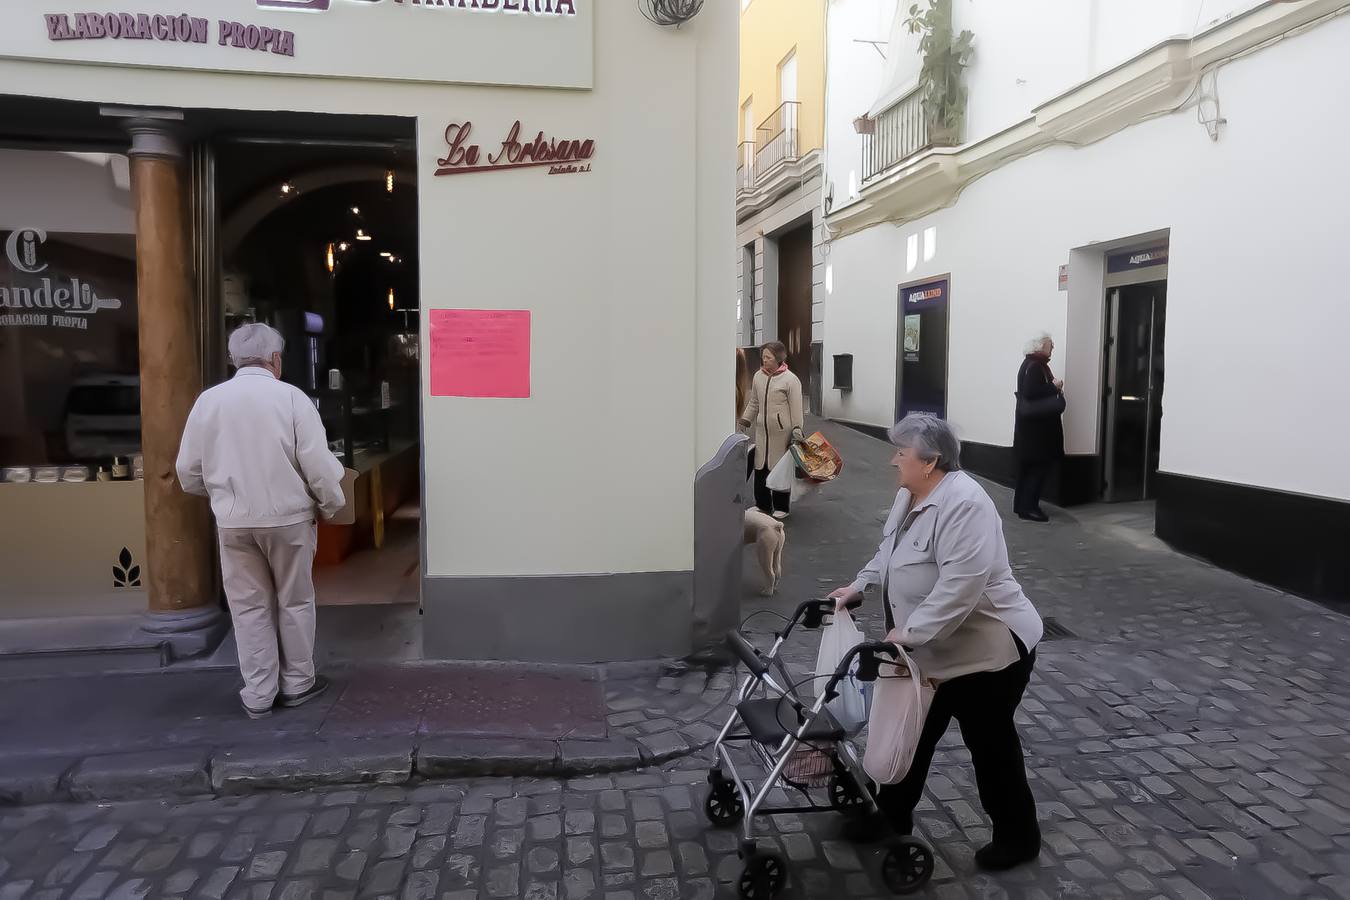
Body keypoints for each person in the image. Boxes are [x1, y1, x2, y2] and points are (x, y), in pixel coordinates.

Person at [829, 414, 1043, 871]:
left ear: (930, 462)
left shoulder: (967, 504)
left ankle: (1018, 838)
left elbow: (960, 588)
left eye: (901, 453)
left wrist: (906, 635)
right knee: (912, 734)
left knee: (991, 746)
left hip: (988, 652)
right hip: (930, 652)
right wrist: (859, 585)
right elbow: (889, 552)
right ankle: (889, 816)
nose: (893, 461)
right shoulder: (911, 494)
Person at [176, 323, 346, 720]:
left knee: (248, 607)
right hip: (289, 519)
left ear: (234, 359)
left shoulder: (208, 401)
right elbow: (318, 465)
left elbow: (187, 471)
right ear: (275, 359)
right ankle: (298, 683)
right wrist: (330, 503)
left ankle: (258, 694)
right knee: (295, 600)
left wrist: (223, 497)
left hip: (234, 522)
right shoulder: (291, 398)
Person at [737, 341, 804, 520]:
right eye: (763, 356)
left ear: (779, 358)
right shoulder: (759, 376)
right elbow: (754, 402)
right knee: (761, 467)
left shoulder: (790, 380)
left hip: (782, 434)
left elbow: (796, 408)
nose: (764, 360)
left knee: (779, 469)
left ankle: (782, 506)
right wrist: (745, 420)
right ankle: (762, 504)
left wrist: (797, 430)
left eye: (768, 357)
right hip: (762, 432)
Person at [1013, 333, 1065, 522]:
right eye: (1051, 344)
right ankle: (1029, 508)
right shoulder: (1036, 366)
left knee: (1027, 470)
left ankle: (1021, 506)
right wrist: (1055, 387)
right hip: (1036, 433)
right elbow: (1032, 392)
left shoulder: (1029, 364)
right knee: (1036, 470)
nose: (1053, 348)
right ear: (1041, 346)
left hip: (1029, 431)